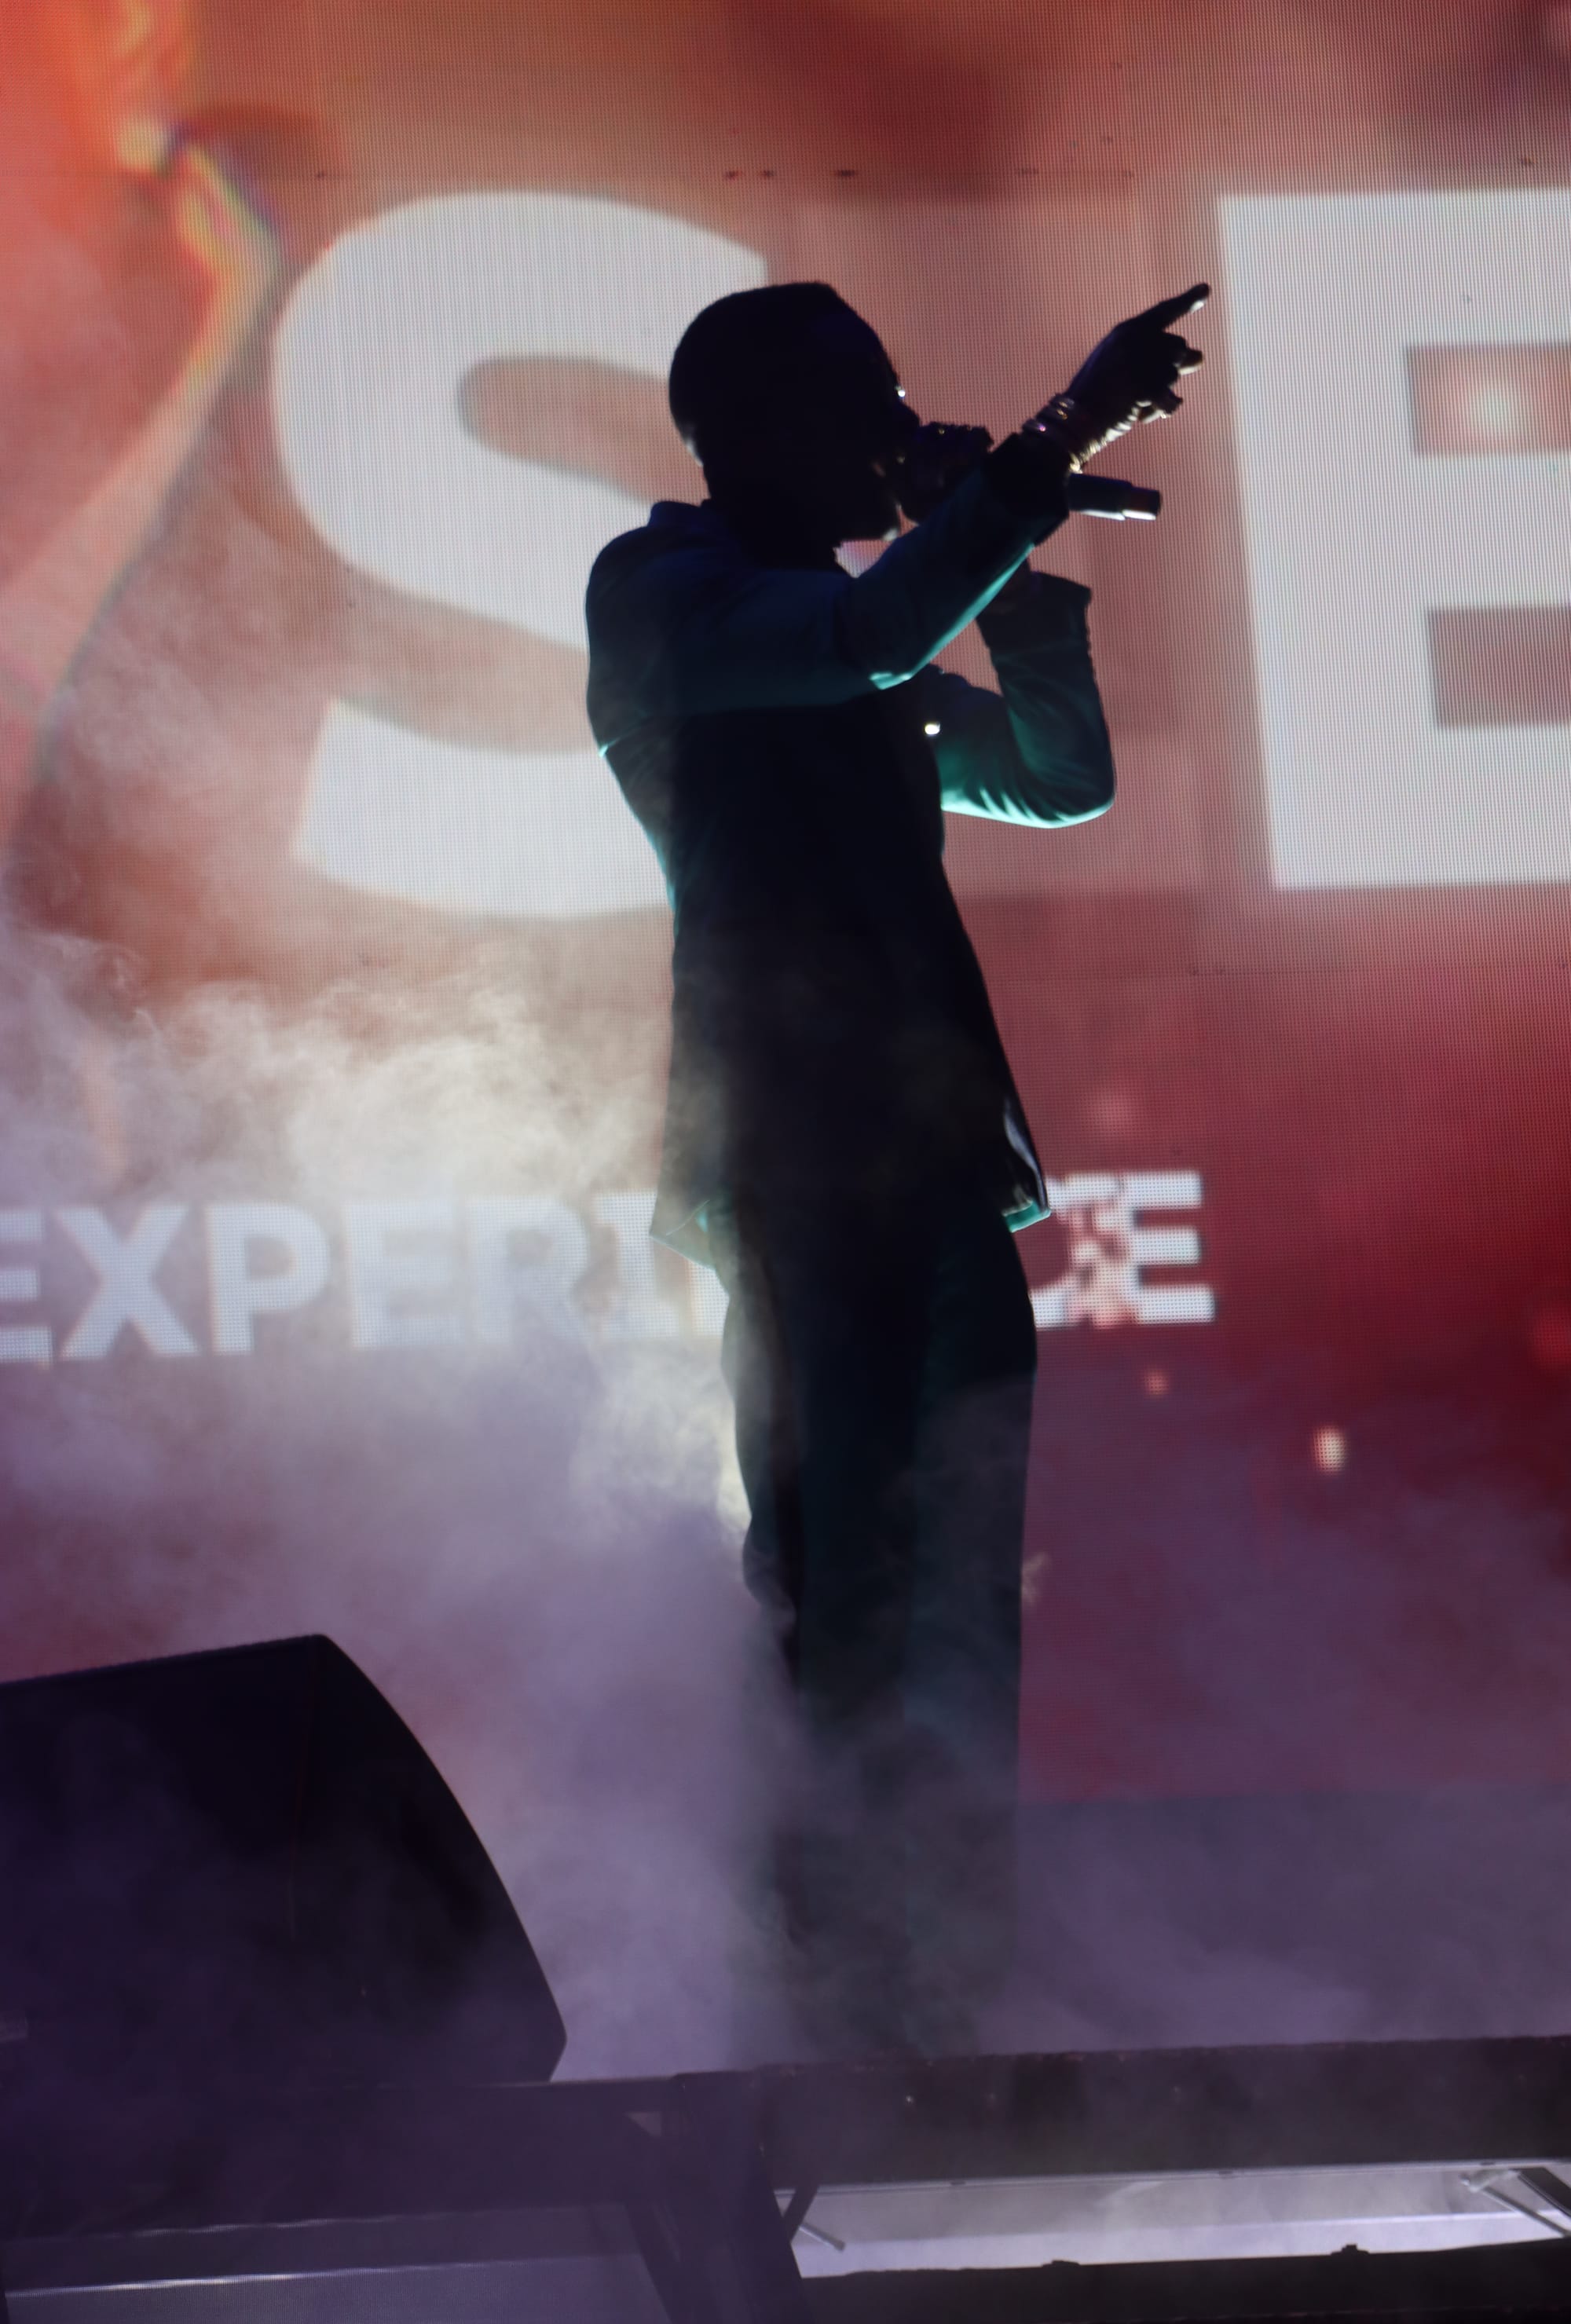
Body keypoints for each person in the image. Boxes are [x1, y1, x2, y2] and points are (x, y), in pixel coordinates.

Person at [584, 279, 1205, 2051]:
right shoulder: (667, 594)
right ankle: (818, 1994)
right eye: (868, 398)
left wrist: (1014, 550)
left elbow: (1061, 777)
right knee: (836, 1576)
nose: (896, 426)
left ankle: (945, 1985)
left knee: (958, 1592)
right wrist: (1041, 451)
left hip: (931, 1162)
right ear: (758, 428)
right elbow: (858, 638)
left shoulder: (844, 629)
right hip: (799, 1151)